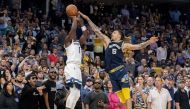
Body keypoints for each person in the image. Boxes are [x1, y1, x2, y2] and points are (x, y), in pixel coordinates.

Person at [79, 11, 158, 109]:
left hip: (120, 71)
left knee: (127, 96)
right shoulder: (107, 42)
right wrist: (87, 18)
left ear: (119, 36)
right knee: (121, 98)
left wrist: (149, 42)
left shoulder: (123, 45)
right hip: (112, 74)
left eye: (115, 32)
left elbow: (139, 46)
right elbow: (96, 31)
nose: (113, 33)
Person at [64, 14, 88, 109]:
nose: (74, 33)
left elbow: (86, 34)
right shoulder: (67, 41)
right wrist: (74, 19)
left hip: (77, 68)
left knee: (77, 94)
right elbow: (72, 30)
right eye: (72, 33)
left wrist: (82, 23)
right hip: (71, 66)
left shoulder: (79, 42)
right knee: (73, 91)